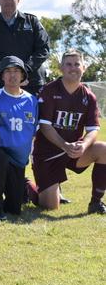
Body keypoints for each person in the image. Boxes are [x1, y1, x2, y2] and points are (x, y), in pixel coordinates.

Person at [32, 49, 105, 214]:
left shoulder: (88, 96)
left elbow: (93, 129)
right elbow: (45, 126)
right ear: (61, 68)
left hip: (73, 152)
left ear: (84, 67)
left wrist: (84, 145)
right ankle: (28, 187)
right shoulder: (49, 90)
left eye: (77, 64)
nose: (73, 68)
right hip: (47, 154)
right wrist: (65, 145)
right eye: (68, 64)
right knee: (50, 207)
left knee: (104, 149)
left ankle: (95, 203)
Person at [0, 56, 38, 220]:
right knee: (1, 160)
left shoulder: (32, 101)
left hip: (19, 159)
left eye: (17, 71)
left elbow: (33, 132)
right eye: (8, 71)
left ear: (23, 75)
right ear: (2, 76)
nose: (13, 75)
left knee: (15, 208)